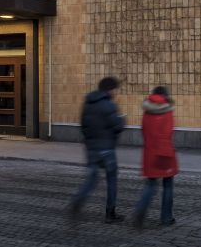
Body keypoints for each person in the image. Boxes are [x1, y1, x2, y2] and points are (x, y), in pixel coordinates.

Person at [69, 77, 126, 222]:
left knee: (92, 180)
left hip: (91, 148)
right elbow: (118, 126)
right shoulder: (109, 105)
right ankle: (110, 214)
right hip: (107, 149)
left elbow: (83, 126)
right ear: (110, 90)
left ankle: (77, 201)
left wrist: (90, 141)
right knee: (111, 180)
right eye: (115, 89)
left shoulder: (88, 103)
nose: (116, 92)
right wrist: (122, 119)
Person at [132, 86, 178, 228]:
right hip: (165, 152)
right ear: (165, 95)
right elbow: (169, 132)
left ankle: (140, 210)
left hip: (150, 152)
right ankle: (166, 218)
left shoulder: (147, 111)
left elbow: (143, 130)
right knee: (168, 185)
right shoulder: (167, 110)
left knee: (151, 184)